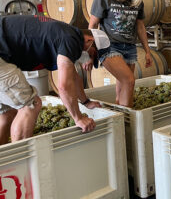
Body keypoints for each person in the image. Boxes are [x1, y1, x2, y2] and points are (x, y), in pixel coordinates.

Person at [0, 15, 109, 145]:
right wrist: (78, 118)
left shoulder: (66, 33)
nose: (88, 59)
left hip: (3, 52)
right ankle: (19, 161)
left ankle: (4, 161)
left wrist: (85, 102)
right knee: (30, 105)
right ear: (89, 40)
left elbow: (73, 77)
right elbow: (63, 86)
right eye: (91, 54)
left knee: (7, 113)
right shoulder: (72, 39)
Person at [88, 0, 152, 107]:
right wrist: (89, 53)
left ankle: (120, 117)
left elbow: (140, 26)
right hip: (108, 46)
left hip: (129, 47)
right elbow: (92, 25)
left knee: (123, 89)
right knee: (129, 80)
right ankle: (128, 119)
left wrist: (147, 51)